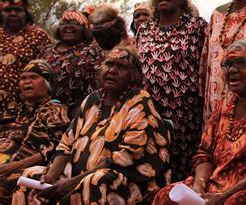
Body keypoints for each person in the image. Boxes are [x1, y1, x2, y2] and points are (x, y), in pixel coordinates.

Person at [12, 46, 171, 204]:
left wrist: (72, 183)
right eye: (109, 64)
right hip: (76, 176)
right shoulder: (92, 100)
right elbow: (66, 143)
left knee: (95, 182)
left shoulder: (138, 101)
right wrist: (51, 176)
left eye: (121, 67)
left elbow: (126, 157)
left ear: (133, 75)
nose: (112, 70)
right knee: (31, 176)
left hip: (122, 181)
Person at [154, 39, 246, 205]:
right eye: (227, 64)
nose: (232, 70)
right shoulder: (226, 103)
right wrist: (198, 188)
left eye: (241, 63)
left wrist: (222, 196)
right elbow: (204, 154)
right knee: (166, 195)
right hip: (214, 185)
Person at [136, 0, 208, 181]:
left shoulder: (196, 26)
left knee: (181, 167)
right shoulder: (144, 29)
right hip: (150, 110)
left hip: (185, 112)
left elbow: (205, 64)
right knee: (151, 161)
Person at [0, 60, 69, 203]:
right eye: (23, 78)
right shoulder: (13, 110)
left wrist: (15, 165)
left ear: (47, 83)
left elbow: (57, 148)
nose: (27, 82)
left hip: (23, 168)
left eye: (33, 77)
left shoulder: (55, 110)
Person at [41, 10, 104, 118]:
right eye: (64, 23)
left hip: (78, 112)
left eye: (74, 23)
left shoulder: (92, 50)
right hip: (45, 110)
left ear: (84, 29)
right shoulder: (47, 50)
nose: (68, 27)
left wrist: (84, 106)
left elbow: (99, 81)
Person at [0, 0, 52, 113]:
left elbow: (48, 71)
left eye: (17, 10)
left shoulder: (38, 35)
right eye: (8, 10)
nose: (13, 13)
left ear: (26, 13)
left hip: (24, 109)